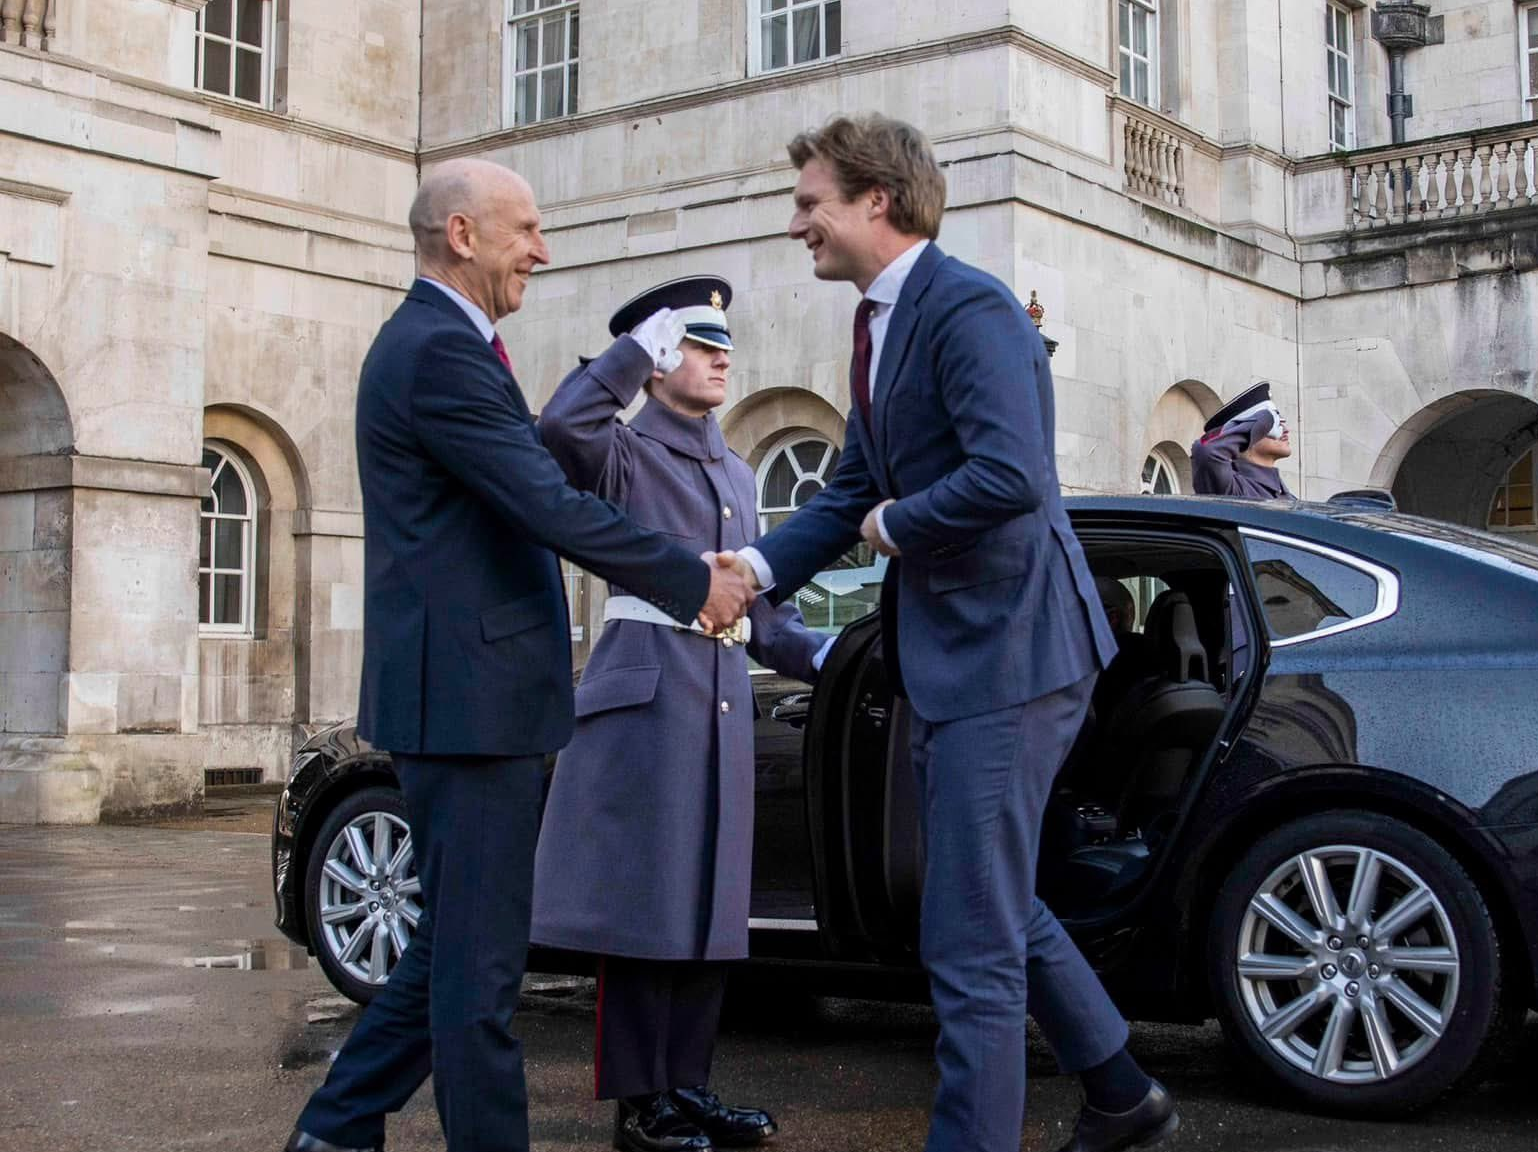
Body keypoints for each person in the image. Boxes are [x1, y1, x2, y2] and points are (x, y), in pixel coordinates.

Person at [722, 114, 1179, 1152]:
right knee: (985, 900)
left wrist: (899, 525)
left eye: (809, 203)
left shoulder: (966, 307)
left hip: (1009, 654)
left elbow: (1011, 478)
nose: (797, 225)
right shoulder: (880, 320)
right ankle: (1119, 1093)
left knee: (965, 937)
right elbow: (847, 487)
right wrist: (752, 571)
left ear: (874, 201)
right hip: (959, 657)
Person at [281, 159, 753, 1152]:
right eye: (525, 230)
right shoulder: (437, 352)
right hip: (468, 701)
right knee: (481, 982)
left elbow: (529, 481)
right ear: (461, 235)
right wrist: (688, 579)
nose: (541, 250)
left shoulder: (449, 345)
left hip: (472, 695)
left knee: (450, 956)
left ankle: (335, 1128)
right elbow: (545, 497)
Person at [530, 277, 826, 1152]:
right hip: (647, 692)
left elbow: (761, 610)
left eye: (722, 341)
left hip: (721, 697)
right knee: (644, 907)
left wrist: (838, 657)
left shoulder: (735, 468)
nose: (719, 354)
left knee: (709, 907)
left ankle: (687, 1085)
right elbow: (559, 429)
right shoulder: (621, 450)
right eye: (696, 342)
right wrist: (626, 355)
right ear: (659, 358)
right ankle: (639, 1101)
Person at [1190, 381, 1292, 498]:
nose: (1285, 429)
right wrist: (1266, 417)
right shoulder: (1233, 489)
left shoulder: (1289, 498)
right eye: (1275, 424)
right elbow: (1207, 450)